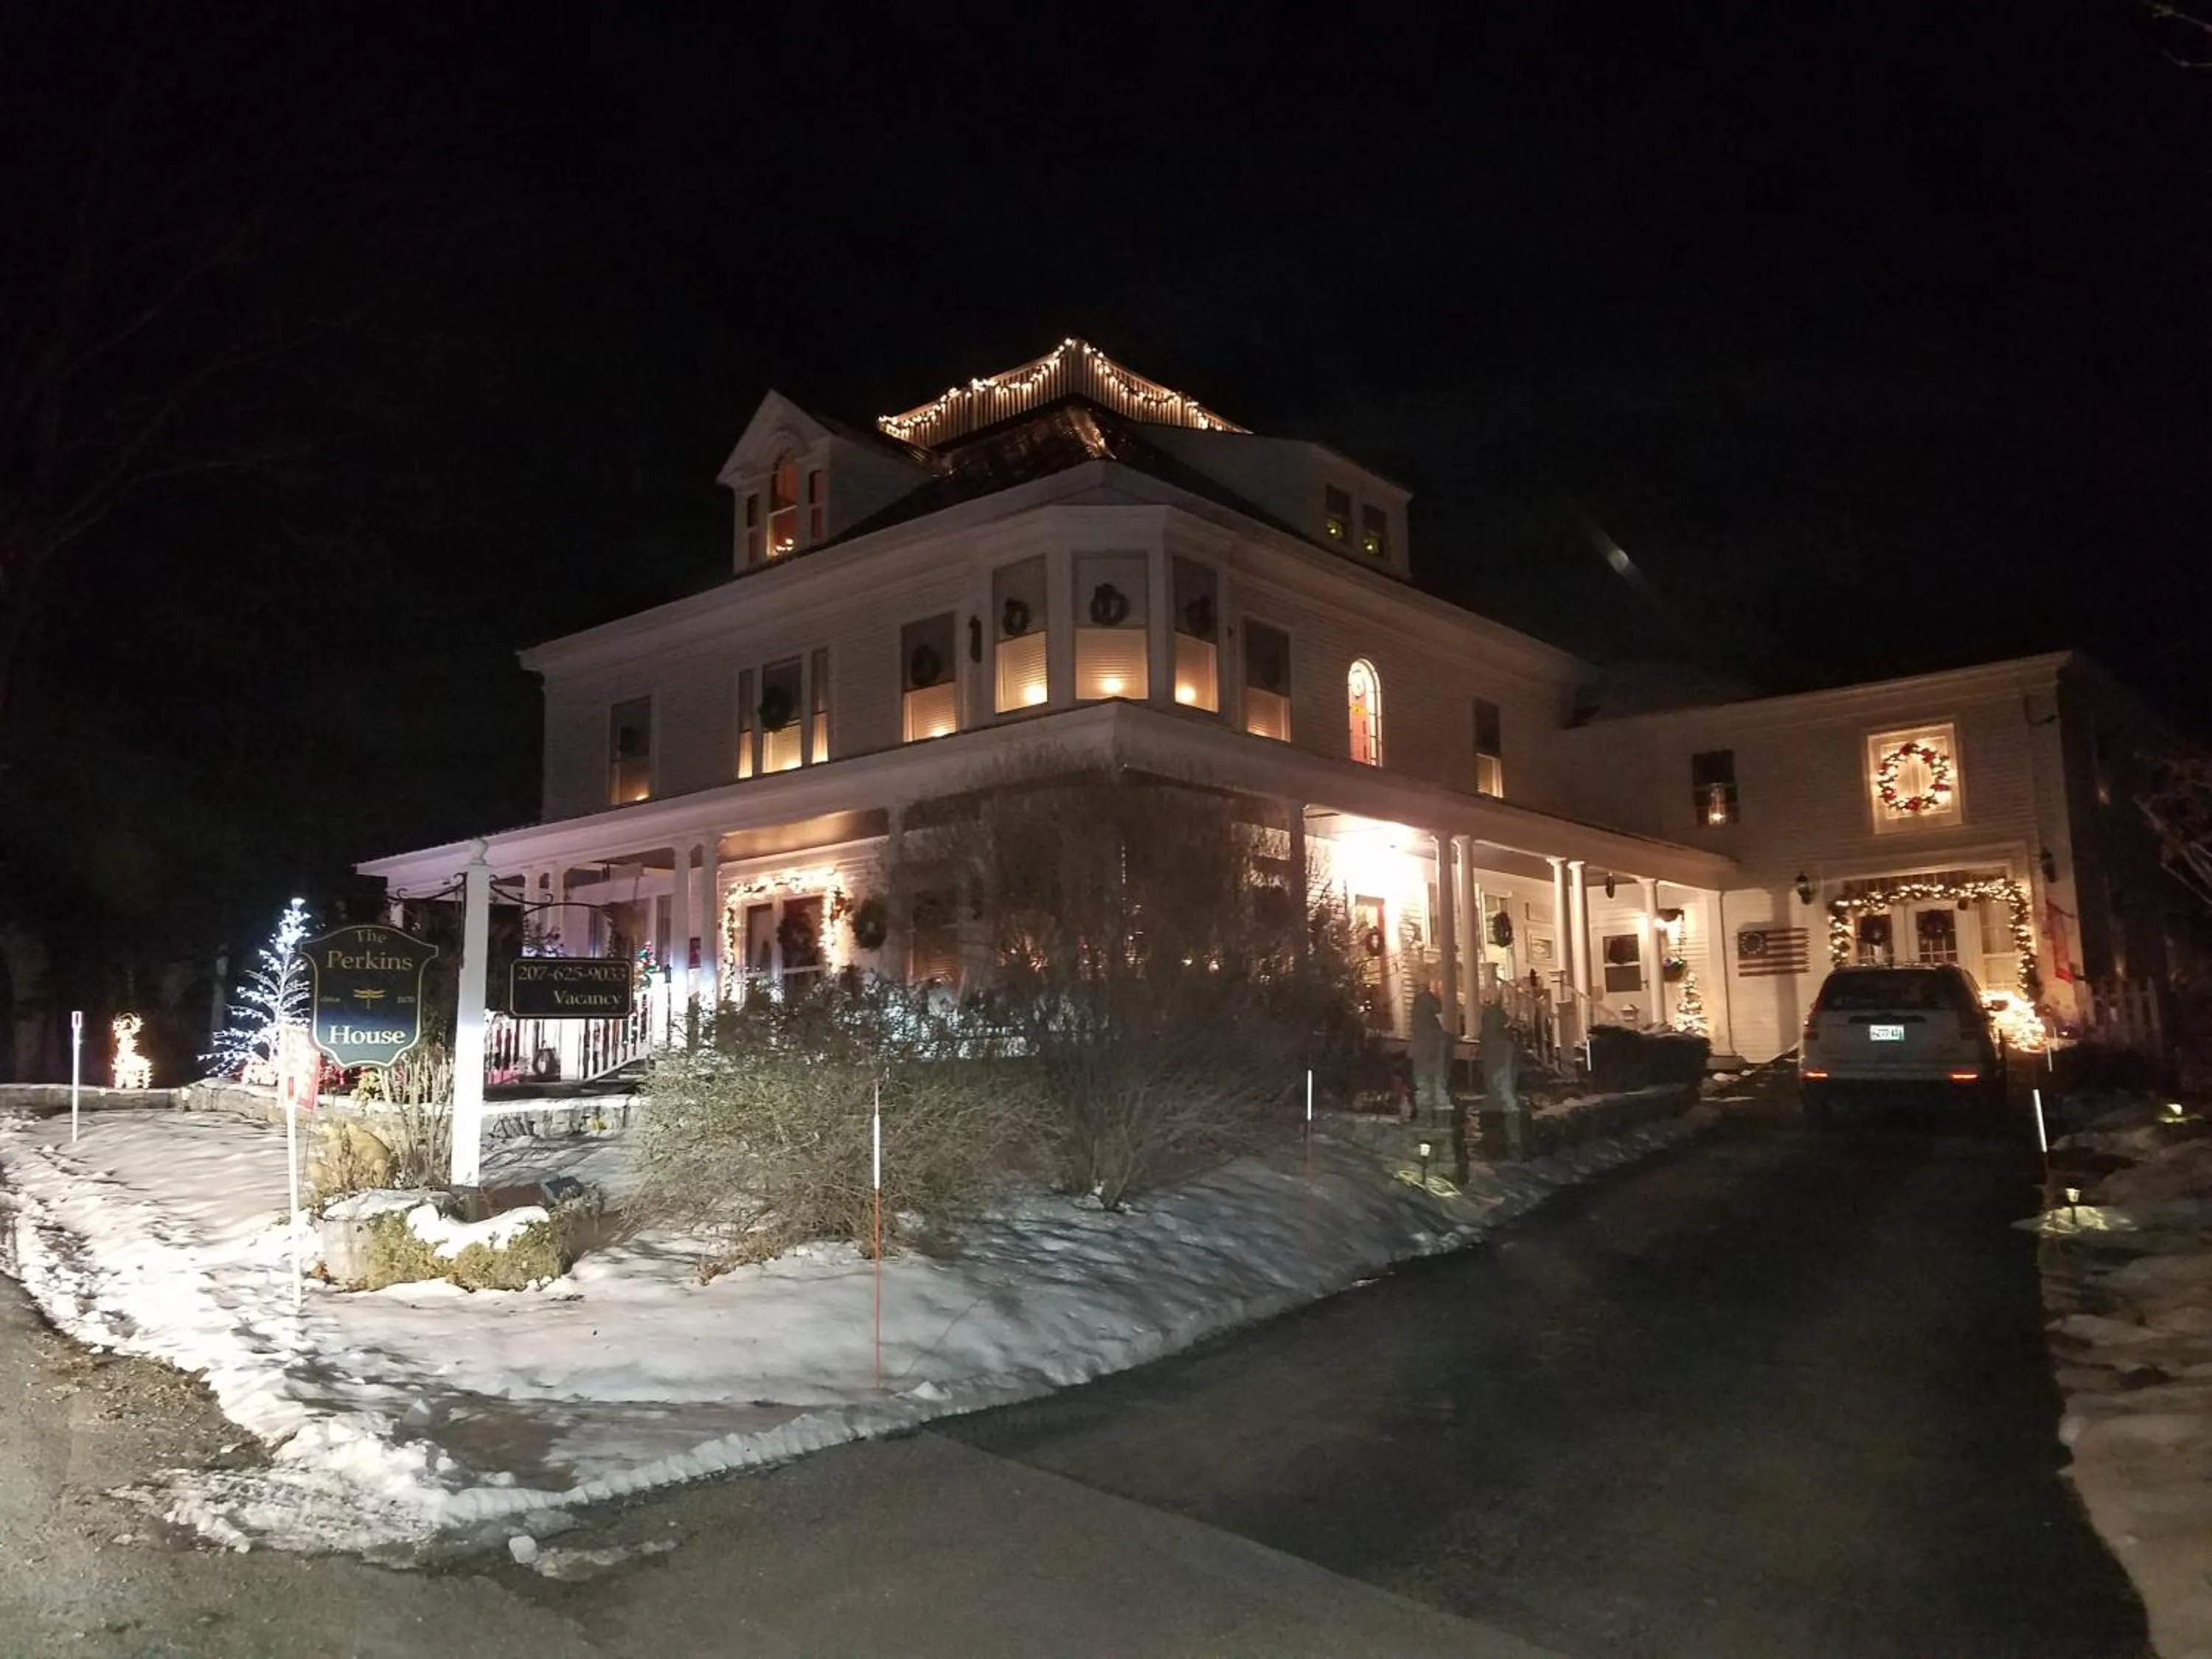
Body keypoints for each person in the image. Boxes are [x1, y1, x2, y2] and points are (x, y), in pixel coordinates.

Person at [1409, 976, 1450, 1126]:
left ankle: (1424, 1117)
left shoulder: (1418, 1001)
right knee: (1437, 1079)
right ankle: (1440, 1117)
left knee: (1422, 1081)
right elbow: (1442, 1021)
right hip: (1434, 1043)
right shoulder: (1434, 1001)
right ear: (1435, 985)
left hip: (1420, 1043)